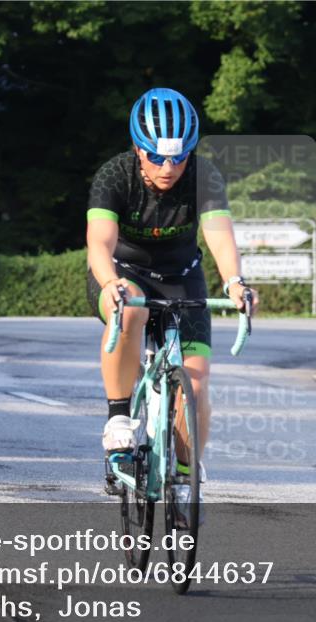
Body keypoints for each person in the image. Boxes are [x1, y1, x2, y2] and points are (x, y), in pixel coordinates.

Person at [85, 87, 259, 523]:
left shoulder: (204, 176)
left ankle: (184, 475)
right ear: (137, 150)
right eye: (158, 157)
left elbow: (218, 231)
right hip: (123, 274)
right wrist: (109, 283)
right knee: (135, 307)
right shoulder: (114, 176)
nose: (169, 168)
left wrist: (235, 282)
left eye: (178, 158)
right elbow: (99, 242)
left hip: (183, 278)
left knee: (196, 386)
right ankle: (119, 421)